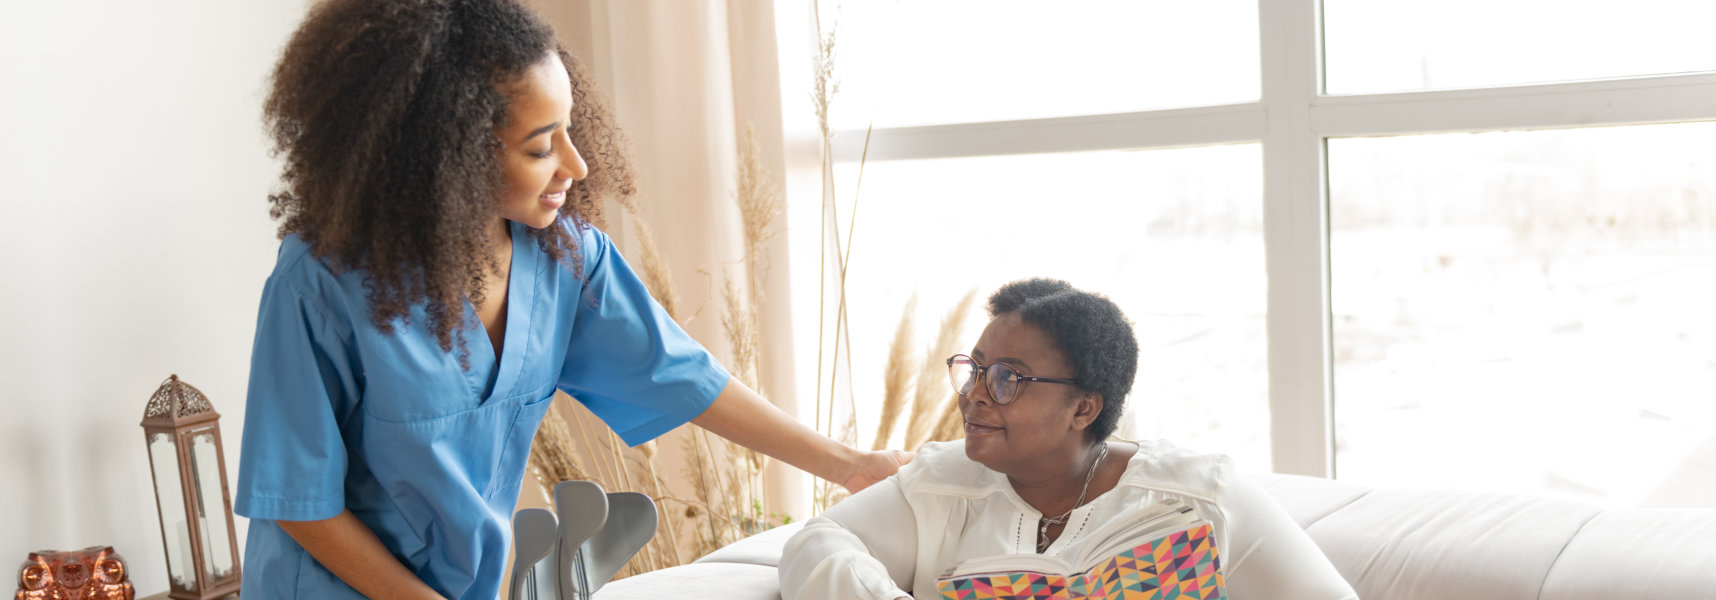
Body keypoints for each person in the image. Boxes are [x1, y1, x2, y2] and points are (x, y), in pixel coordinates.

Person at [234, 1, 909, 598]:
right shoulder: (321, 282)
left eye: (570, 129)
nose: (577, 165)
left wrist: (853, 467)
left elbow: (684, 375)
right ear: (450, 154)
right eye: (540, 147)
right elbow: (300, 502)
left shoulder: (563, 255)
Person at [778, 278, 1357, 599]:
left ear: (1084, 407)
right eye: (974, 368)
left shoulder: (1197, 496)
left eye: (1008, 378)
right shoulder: (940, 483)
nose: (976, 393)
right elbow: (818, 544)